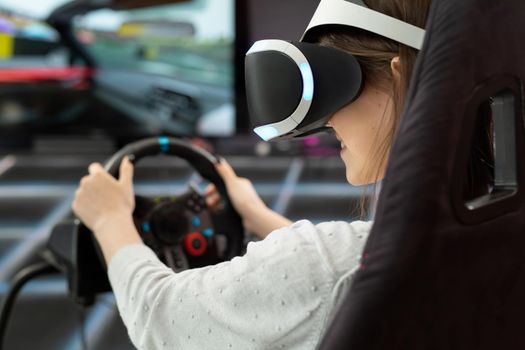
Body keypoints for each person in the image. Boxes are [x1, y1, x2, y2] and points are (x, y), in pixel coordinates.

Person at [71, 1, 468, 349]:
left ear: (404, 80)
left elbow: (160, 320)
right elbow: (340, 274)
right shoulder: (485, 228)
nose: (326, 121)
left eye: (341, 89)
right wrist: (257, 215)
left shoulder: (334, 265)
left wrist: (109, 220)